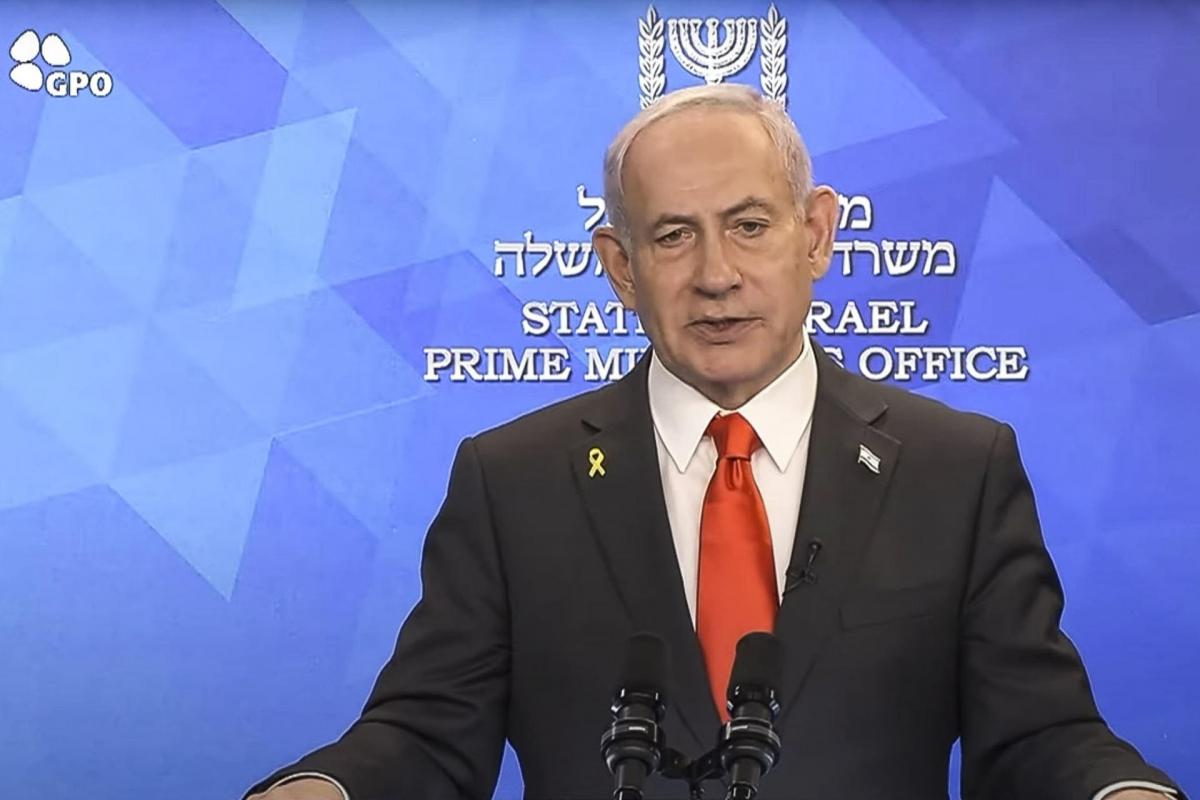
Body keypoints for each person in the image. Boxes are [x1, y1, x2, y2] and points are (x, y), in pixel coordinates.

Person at [245, 85, 1184, 800]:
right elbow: (427, 734)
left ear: (815, 235)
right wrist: (325, 790)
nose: (716, 275)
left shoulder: (957, 469)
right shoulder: (512, 480)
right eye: (672, 237)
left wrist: (1121, 793)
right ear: (620, 268)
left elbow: (1037, 734)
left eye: (749, 226)